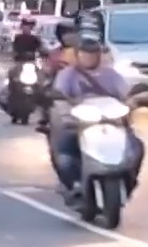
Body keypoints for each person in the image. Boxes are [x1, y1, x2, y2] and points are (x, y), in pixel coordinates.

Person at [45, 31, 130, 192]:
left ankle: (129, 177)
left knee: (135, 146)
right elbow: (59, 96)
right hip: (79, 122)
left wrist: (131, 102)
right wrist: (66, 111)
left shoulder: (110, 74)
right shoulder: (67, 75)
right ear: (78, 56)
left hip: (110, 121)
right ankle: (74, 182)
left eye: (92, 55)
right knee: (65, 151)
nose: (89, 59)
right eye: (85, 55)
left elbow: (125, 93)